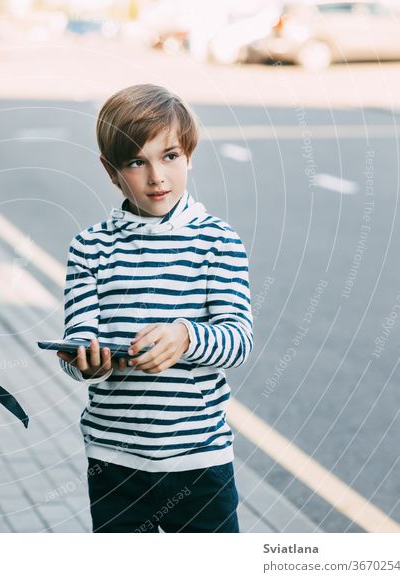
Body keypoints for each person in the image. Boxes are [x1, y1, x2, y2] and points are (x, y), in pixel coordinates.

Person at [57, 84, 253, 533]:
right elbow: (78, 343)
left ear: (189, 156)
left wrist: (186, 335)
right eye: (136, 162)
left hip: (200, 460)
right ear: (111, 172)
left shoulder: (218, 242)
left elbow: (238, 341)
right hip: (113, 461)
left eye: (169, 156)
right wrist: (85, 364)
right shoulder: (90, 247)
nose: (156, 177)